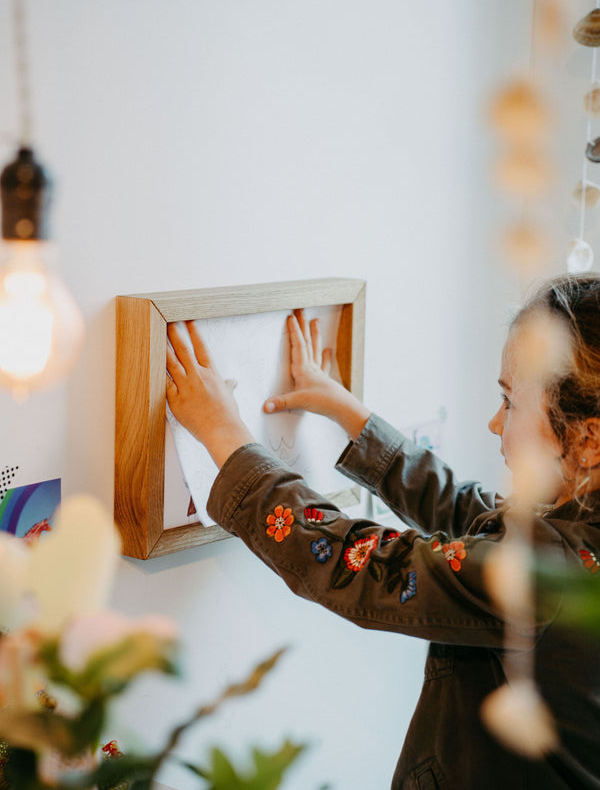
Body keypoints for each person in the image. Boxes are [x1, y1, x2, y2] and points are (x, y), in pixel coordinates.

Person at [165, 274, 600, 789]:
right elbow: (471, 512)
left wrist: (224, 434)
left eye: (509, 402)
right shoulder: (573, 534)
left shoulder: (550, 571)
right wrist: (350, 413)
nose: (494, 423)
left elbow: (358, 562)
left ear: (586, 438)